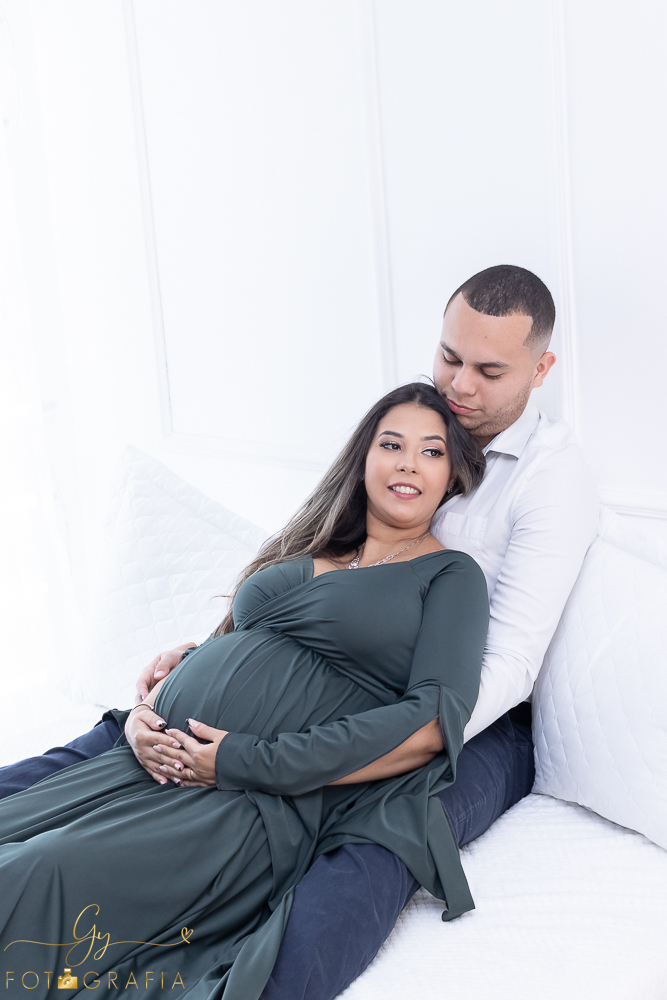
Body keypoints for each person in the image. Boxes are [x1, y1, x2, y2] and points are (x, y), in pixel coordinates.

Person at [0, 265, 600, 1000]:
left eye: (487, 370)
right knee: (75, 770)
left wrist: (341, 750)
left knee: (373, 844)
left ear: (540, 370)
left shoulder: (547, 484)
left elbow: (500, 667)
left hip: (471, 718)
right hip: (248, 717)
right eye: (449, 356)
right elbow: (299, 585)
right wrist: (202, 659)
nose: (459, 385)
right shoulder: (411, 428)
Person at [0, 383, 490, 999]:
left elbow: (428, 727)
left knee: (36, 874)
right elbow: (233, 644)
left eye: (431, 451)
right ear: (363, 456)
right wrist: (144, 713)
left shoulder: (451, 576)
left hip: (250, 796)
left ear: (453, 476)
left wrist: (238, 761)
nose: (407, 464)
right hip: (147, 762)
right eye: (391, 444)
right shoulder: (314, 545)